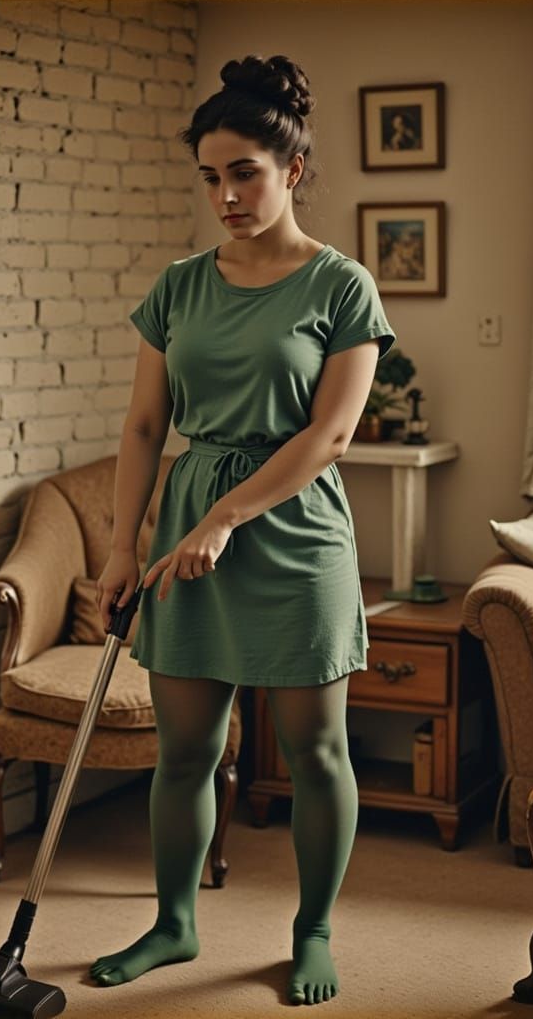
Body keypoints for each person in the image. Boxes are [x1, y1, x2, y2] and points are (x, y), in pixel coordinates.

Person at [92, 53, 396, 1007]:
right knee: (184, 751)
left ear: (292, 170)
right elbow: (145, 426)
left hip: (295, 529)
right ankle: (173, 923)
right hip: (186, 530)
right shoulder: (178, 287)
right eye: (210, 177)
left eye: (244, 174)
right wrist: (122, 547)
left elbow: (332, 434)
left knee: (316, 753)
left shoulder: (342, 286)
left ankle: (312, 933)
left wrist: (227, 516)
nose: (225, 196)